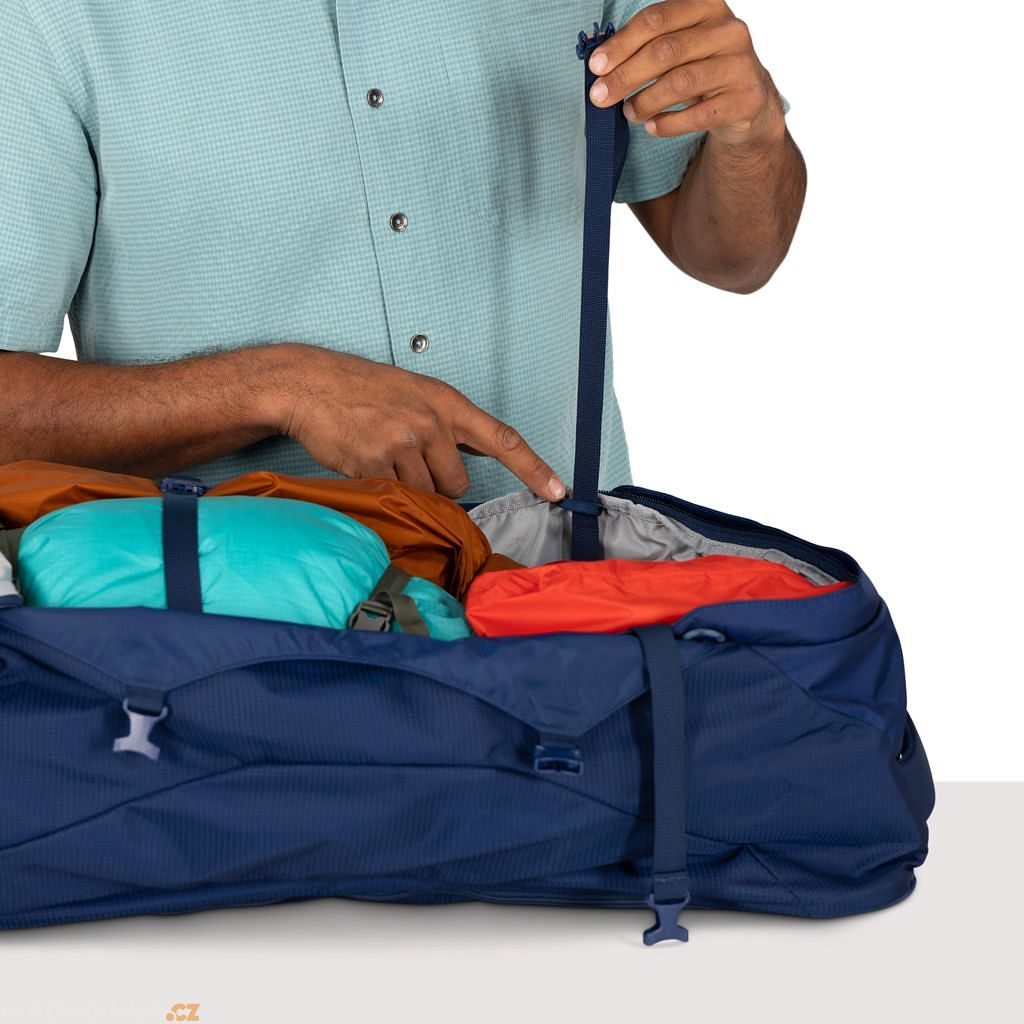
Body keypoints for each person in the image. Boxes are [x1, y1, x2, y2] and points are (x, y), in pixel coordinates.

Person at [0, 1, 805, 504]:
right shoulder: (49, 14)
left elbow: (735, 258)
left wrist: (754, 129)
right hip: (238, 664)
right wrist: (278, 387)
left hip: (558, 622)